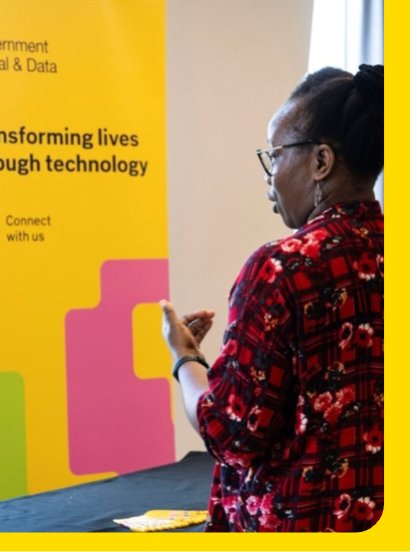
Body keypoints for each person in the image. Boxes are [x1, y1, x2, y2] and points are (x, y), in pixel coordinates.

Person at [160, 64, 383, 532]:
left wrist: (186, 359)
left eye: (276, 155)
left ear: (322, 161)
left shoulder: (283, 268)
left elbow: (231, 433)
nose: (270, 175)